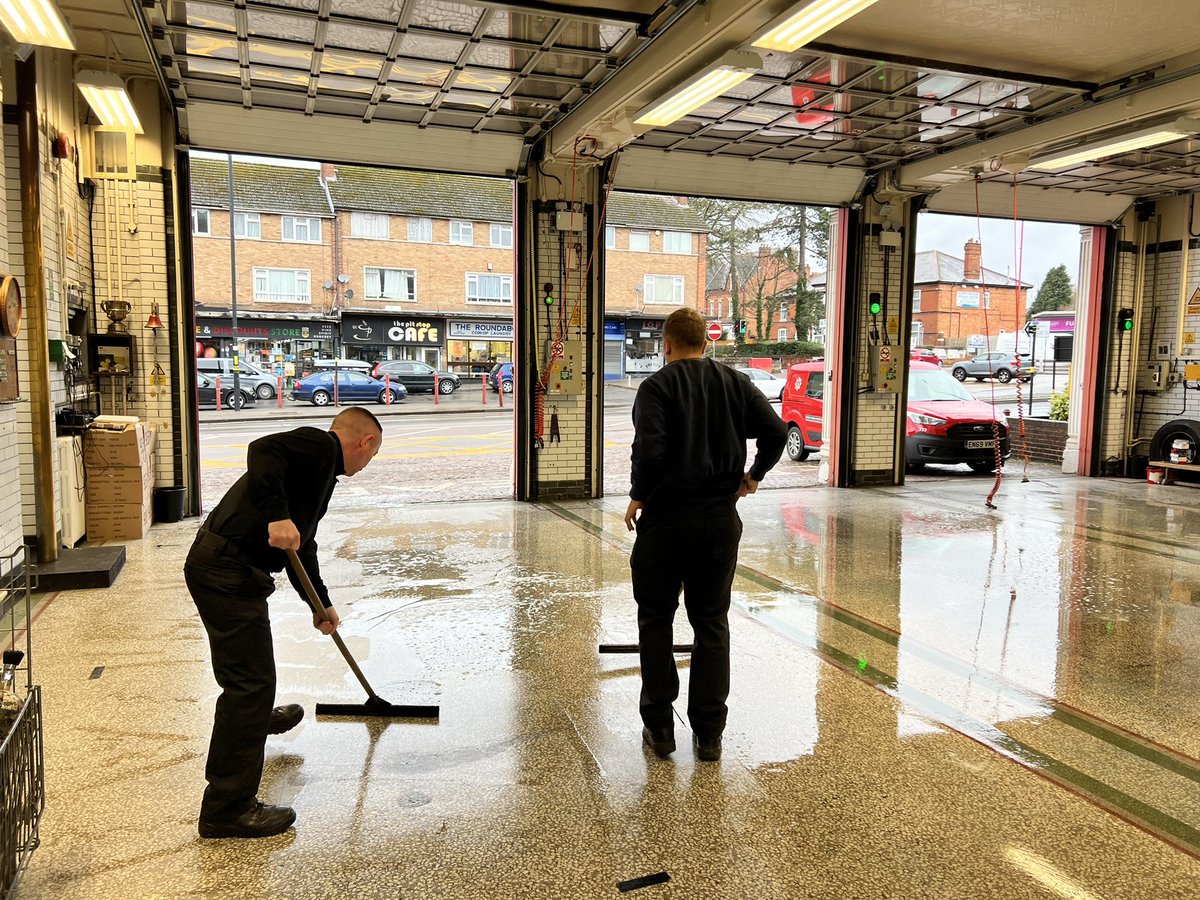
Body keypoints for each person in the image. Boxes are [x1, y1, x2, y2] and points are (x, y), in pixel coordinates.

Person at [185, 407, 383, 838]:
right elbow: (262, 449)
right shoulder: (319, 445)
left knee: (252, 677)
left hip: (234, 572)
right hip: (224, 570)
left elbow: (302, 545)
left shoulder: (322, 475)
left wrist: (321, 605)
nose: (366, 467)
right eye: (371, 457)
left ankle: (256, 717)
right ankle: (226, 809)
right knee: (248, 685)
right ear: (364, 443)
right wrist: (277, 514)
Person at [624, 308, 787, 762]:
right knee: (711, 622)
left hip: (667, 522)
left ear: (668, 345)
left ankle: (659, 728)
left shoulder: (656, 387)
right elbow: (774, 432)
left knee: (655, 619)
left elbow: (651, 451)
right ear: (704, 342)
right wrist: (753, 475)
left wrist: (638, 495)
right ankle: (710, 735)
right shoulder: (735, 383)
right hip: (719, 521)